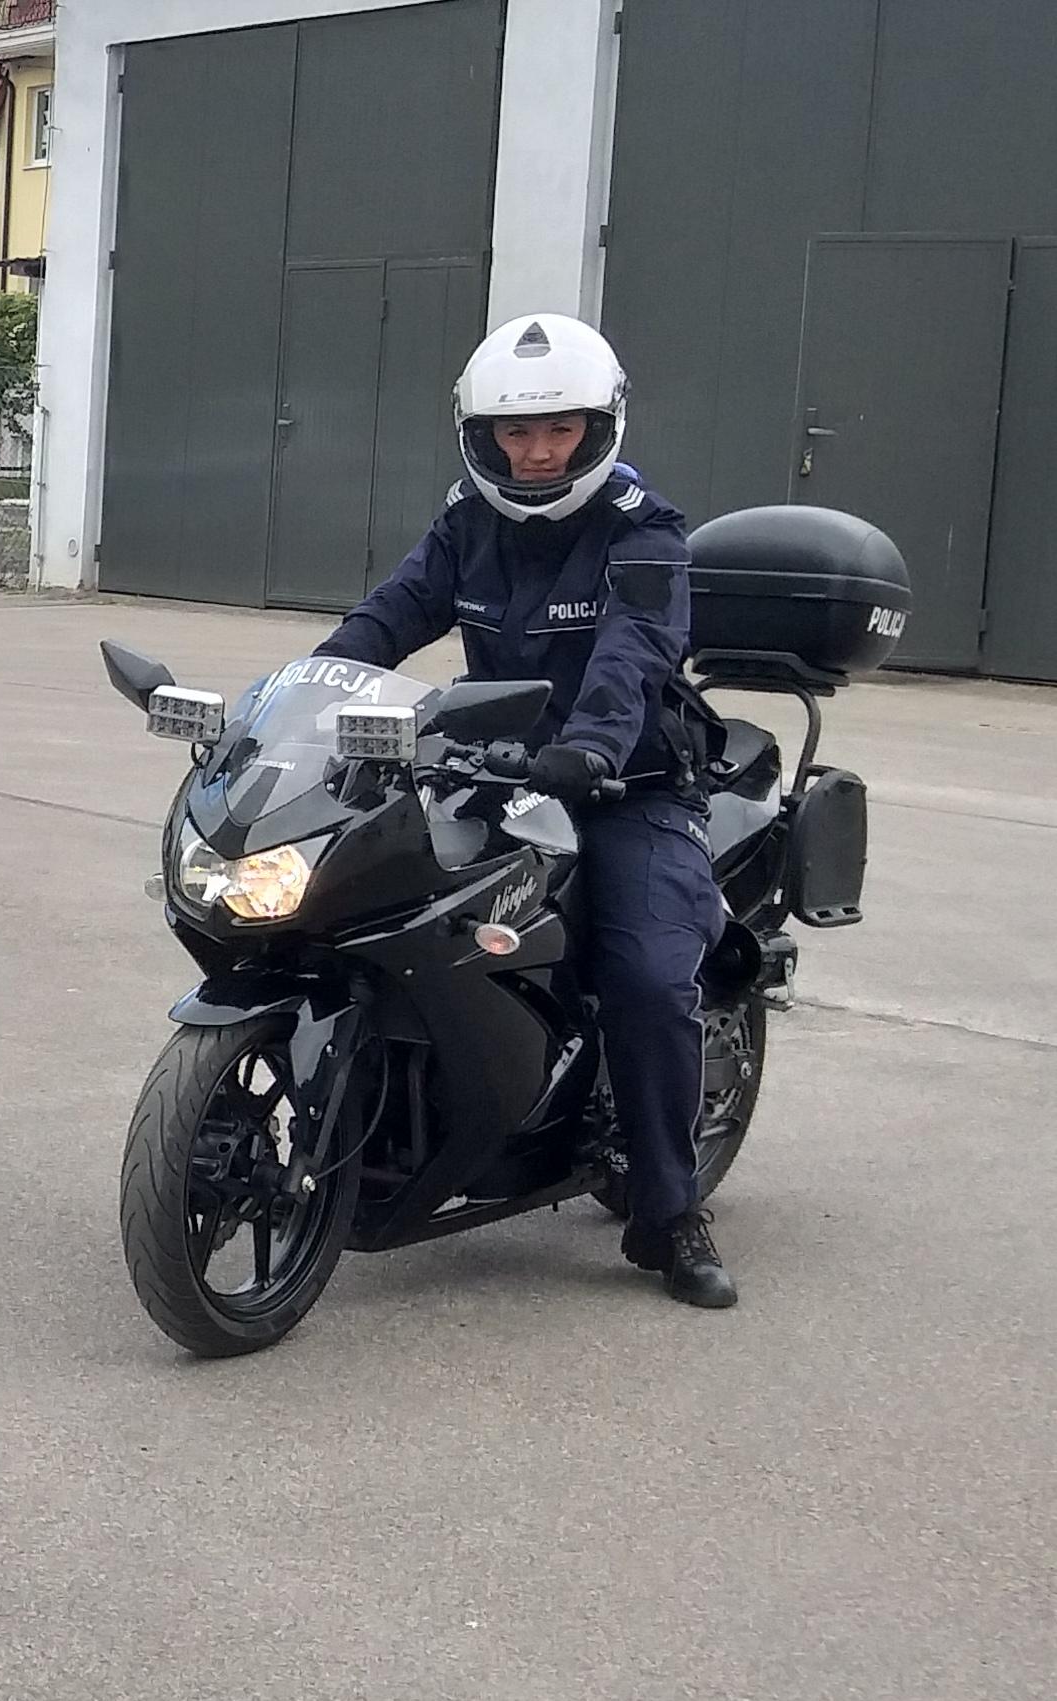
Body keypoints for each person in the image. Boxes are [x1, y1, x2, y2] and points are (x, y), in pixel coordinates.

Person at [312, 312, 737, 1309]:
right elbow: (392, 613)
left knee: (643, 977)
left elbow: (635, 650)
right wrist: (312, 686)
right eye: (515, 431)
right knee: (369, 902)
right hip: (495, 768)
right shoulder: (468, 520)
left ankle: (670, 1211)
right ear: (482, 433)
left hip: (627, 784)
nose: (537, 451)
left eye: (558, 430)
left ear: (598, 429)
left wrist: (590, 748)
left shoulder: (643, 527)